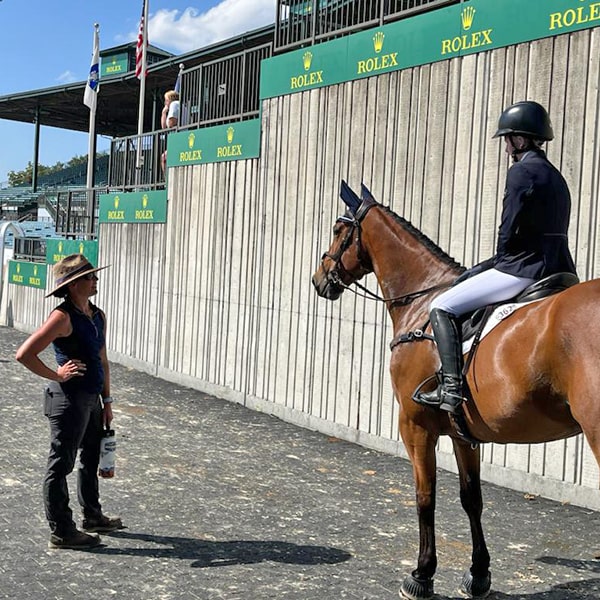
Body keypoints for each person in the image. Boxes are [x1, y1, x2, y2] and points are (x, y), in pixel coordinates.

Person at [415, 100, 577, 415]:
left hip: (523, 269)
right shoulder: (555, 176)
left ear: (521, 139)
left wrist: (492, 263)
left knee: (441, 305)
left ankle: (450, 389)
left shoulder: (521, 172)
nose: (506, 146)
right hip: (561, 269)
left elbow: (509, 227)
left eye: (508, 138)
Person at [16, 254, 123, 549]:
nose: (96, 281)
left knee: (91, 458)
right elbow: (24, 354)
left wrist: (108, 401)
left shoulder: (97, 315)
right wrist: (58, 374)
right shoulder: (61, 317)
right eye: (90, 277)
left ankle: (93, 515)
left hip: (92, 399)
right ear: (74, 285)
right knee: (60, 465)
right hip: (68, 401)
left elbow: (102, 360)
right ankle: (62, 531)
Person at [161, 89, 180, 174]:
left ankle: (167, 180)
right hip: (180, 137)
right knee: (164, 157)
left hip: (178, 138)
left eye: (166, 100)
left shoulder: (174, 104)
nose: (165, 103)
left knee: (164, 158)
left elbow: (171, 123)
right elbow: (164, 127)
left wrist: (167, 119)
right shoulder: (181, 105)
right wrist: (164, 113)